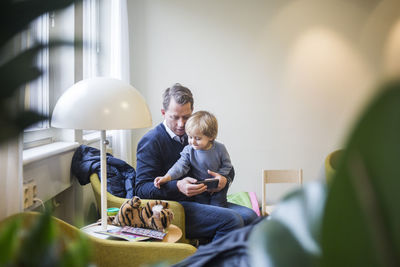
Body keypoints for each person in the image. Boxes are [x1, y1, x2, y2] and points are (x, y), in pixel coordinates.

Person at [135, 83, 257, 242]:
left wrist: (224, 179)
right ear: (163, 113)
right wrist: (177, 186)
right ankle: (205, 259)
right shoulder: (151, 141)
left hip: (203, 199)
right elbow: (141, 188)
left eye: (186, 117)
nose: (181, 124)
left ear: (192, 113)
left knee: (251, 217)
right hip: (174, 207)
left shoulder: (194, 133)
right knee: (232, 220)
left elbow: (225, 165)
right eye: (175, 117)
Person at [154, 110, 232, 207]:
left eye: (198, 138)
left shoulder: (220, 148)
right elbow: (180, 166)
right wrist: (166, 177)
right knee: (203, 207)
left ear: (211, 137)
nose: (192, 142)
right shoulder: (189, 150)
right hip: (199, 186)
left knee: (219, 206)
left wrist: (220, 177)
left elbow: (227, 166)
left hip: (218, 186)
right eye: (190, 137)